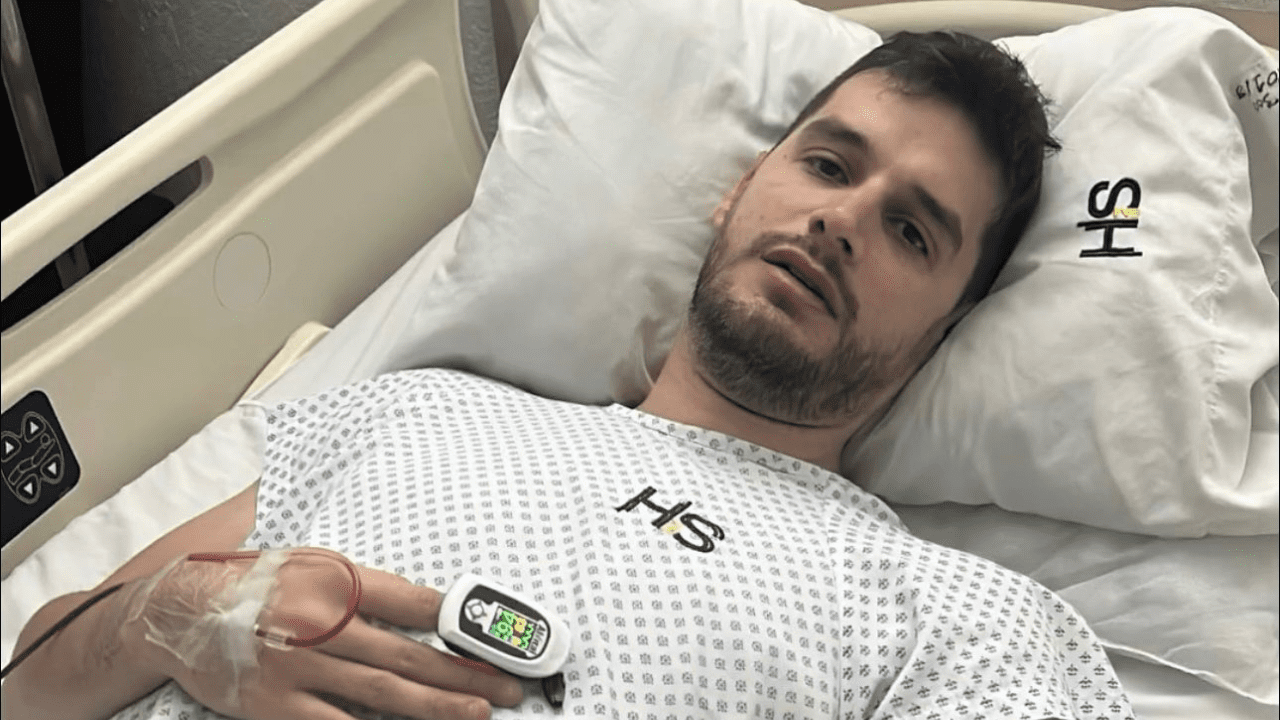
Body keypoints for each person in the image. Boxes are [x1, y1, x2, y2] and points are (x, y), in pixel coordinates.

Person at [3, 31, 1135, 720]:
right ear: (735, 194)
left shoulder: (951, 616)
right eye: (830, 166)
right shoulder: (419, 406)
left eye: (912, 231)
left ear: (943, 332)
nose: (843, 220)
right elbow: (28, 685)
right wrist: (172, 617)